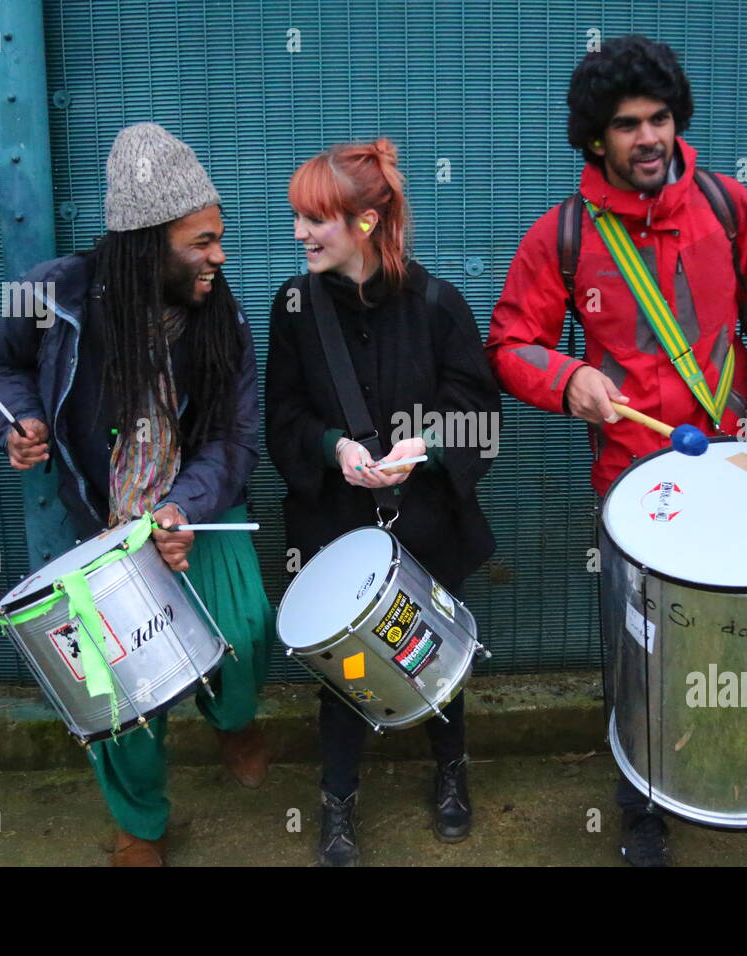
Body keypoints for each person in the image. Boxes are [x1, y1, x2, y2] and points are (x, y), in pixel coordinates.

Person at [486, 35, 747, 866]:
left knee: (741, 630)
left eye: (660, 119)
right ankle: (643, 803)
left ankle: (733, 765)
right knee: (644, 645)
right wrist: (567, 380)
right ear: (597, 138)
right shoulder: (560, 235)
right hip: (636, 485)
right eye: (628, 125)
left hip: (737, 462)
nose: (649, 138)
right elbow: (511, 343)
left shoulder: (728, 207)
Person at [0, 123, 273, 866]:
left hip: (197, 509)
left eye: (219, 237)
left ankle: (234, 719)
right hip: (103, 525)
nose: (220, 256)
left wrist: (186, 507)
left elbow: (237, 440)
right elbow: (4, 361)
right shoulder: (57, 295)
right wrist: (18, 419)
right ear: (147, 244)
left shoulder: (223, 317)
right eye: (201, 242)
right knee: (119, 690)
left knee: (240, 635)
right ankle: (139, 821)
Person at [266, 138, 501, 866]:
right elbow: (282, 415)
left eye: (316, 219)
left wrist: (421, 448)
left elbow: (481, 417)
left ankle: (451, 771)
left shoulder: (437, 304)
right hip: (336, 523)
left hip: (426, 521)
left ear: (365, 223)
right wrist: (334, 446)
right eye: (298, 218)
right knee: (346, 670)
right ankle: (337, 801)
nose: (300, 233)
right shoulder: (294, 306)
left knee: (438, 652)